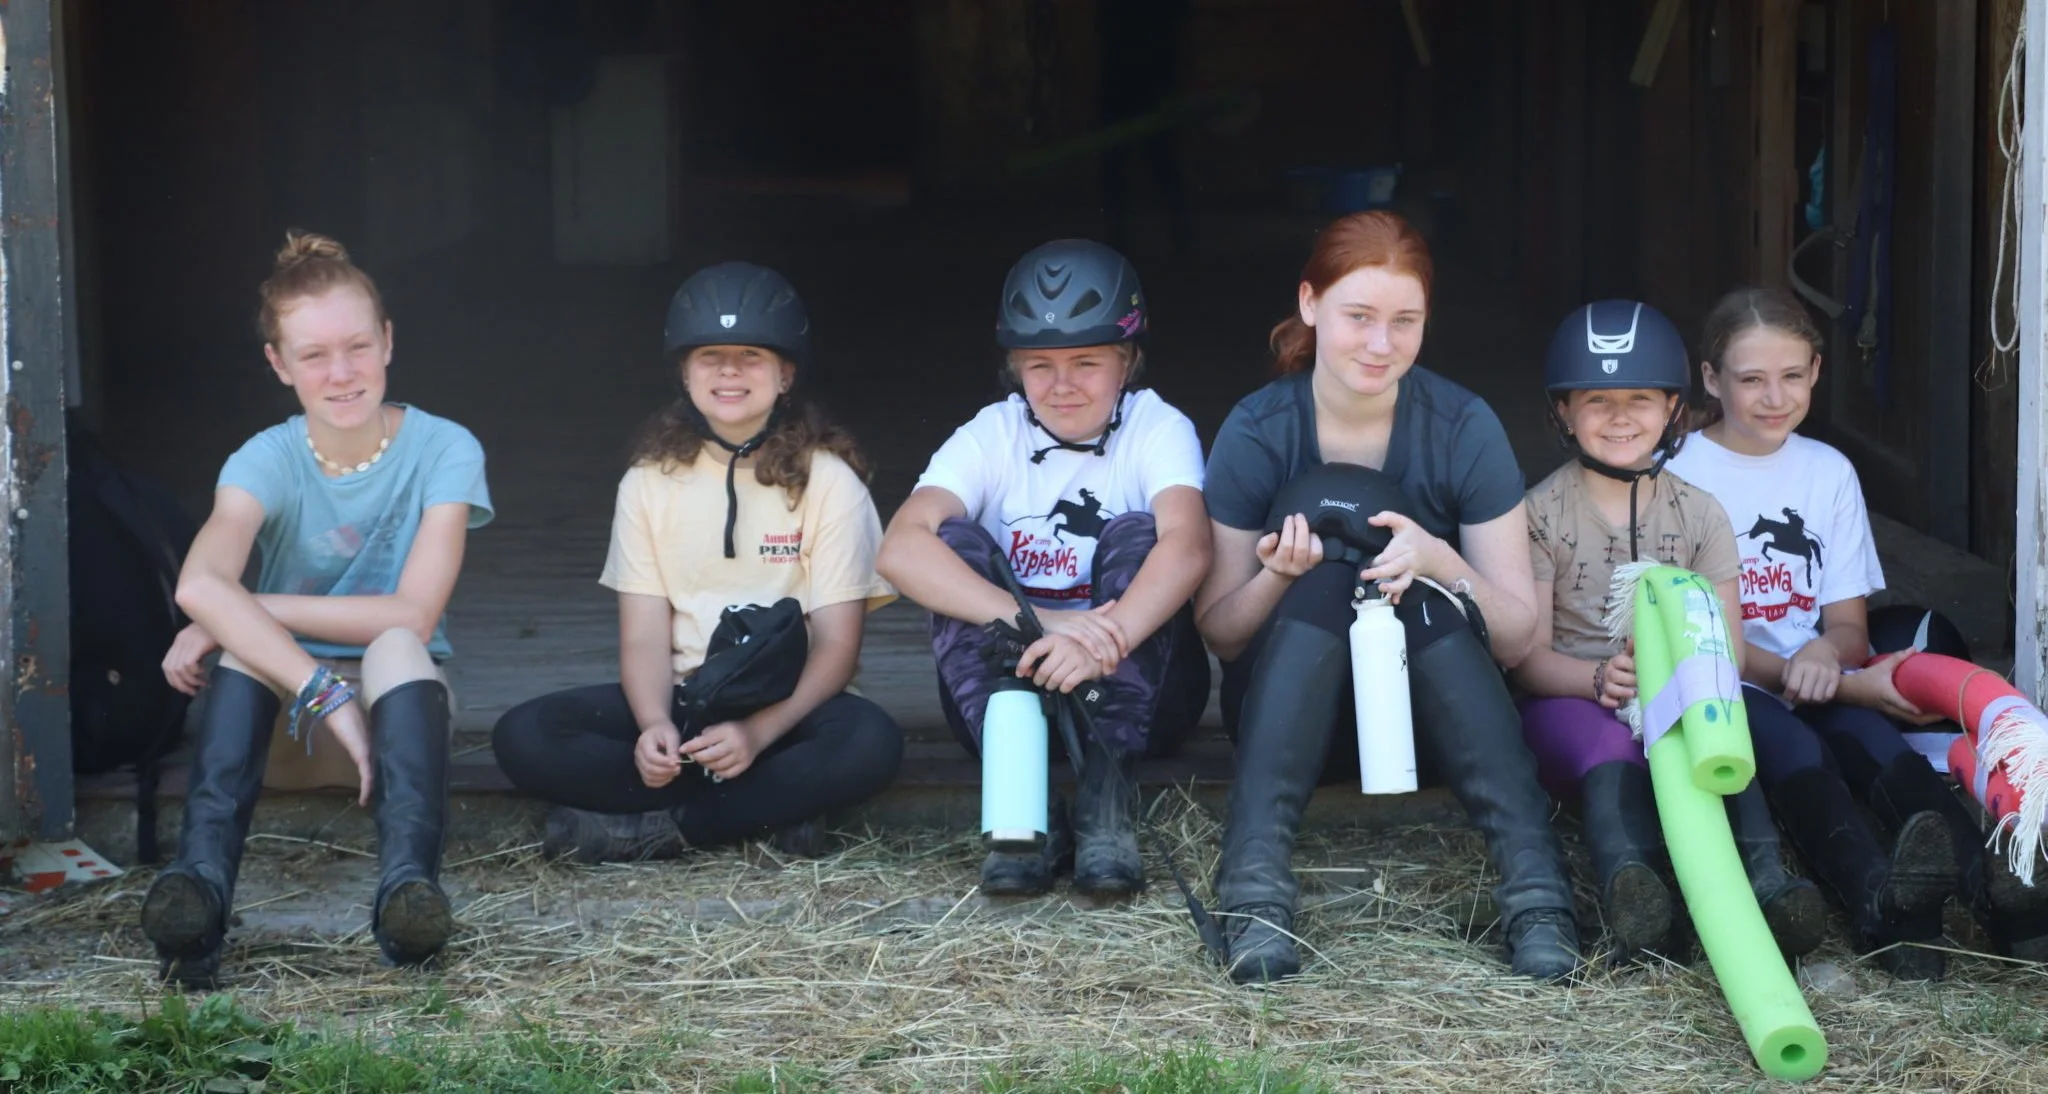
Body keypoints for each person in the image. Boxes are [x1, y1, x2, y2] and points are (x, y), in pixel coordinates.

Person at [1195, 210, 1578, 984]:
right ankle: (1255, 890)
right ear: (1310, 305)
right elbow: (1223, 634)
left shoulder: (1463, 424)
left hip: (1432, 727)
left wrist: (1439, 560)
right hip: (1294, 720)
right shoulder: (1258, 429)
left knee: (1406, 586)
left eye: (1404, 321)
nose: (1380, 344)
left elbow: (1515, 639)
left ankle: (1538, 894)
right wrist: (1279, 575)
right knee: (1335, 574)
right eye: (1358, 317)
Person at [1664, 285, 2048, 978]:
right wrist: (1800, 675)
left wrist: (1823, 654)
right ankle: (1881, 908)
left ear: (1816, 371)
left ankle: (1998, 891)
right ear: (1711, 379)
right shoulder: (1677, 476)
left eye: (1792, 375)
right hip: (1728, 684)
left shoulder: (1827, 472)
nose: (1774, 396)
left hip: (1821, 675)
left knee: (1878, 747)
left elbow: (1846, 625)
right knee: (1798, 755)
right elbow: (1690, 634)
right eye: (1751, 379)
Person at [143, 230, 492, 986]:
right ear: (278, 364)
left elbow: (415, 612)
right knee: (243, 650)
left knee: (397, 642)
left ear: (389, 341)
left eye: (358, 346)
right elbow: (199, 583)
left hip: (395, 730)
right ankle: (197, 903)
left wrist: (236, 608)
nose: (342, 373)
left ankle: (408, 899)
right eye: (313, 355)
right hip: (284, 734)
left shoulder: (446, 449)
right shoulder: (262, 460)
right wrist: (320, 690)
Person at [491, 262, 903, 865]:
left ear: (786, 374)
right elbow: (643, 638)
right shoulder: (647, 482)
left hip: (787, 713)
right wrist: (654, 724)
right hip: (687, 700)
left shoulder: (830, 481)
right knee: (524, 736)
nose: (729, 370)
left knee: (870, 742)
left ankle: (662, 829)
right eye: (710, 355)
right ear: (683, 372)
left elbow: (838, 648)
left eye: (751, 356)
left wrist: (757, 734)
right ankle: (767, 812)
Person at [877, 239, 1212, 898]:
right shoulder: (994, 433)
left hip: (1139, 698)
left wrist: (1100, 642)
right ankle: (1021, 820)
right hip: (1009, 702)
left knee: (1141, 534)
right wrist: (1047, 626)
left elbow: (1190, 545)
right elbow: (899, 548)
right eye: (1039, 366)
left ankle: (1106, 806)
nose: (1061, 386)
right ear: (1014, 368)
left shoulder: (1156, 426)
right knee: (951, 536)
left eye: (1086, 362)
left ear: (1128, 360)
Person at [1513, 299, 1826, 963]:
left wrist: (1685, 682)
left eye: (1639, 399)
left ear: (1673, 410)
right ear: (1563, 412)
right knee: (1613, 750)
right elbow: (1527, 657)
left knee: (1716, 727)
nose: (1621, 417)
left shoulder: (1702, 514)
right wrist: (1597, 678)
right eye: (1597, 400)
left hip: (1685, 690)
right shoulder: (1539, 514)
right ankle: (1638, 897)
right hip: (1576, 703)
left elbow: (1731, 651)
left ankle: (1766, 884)